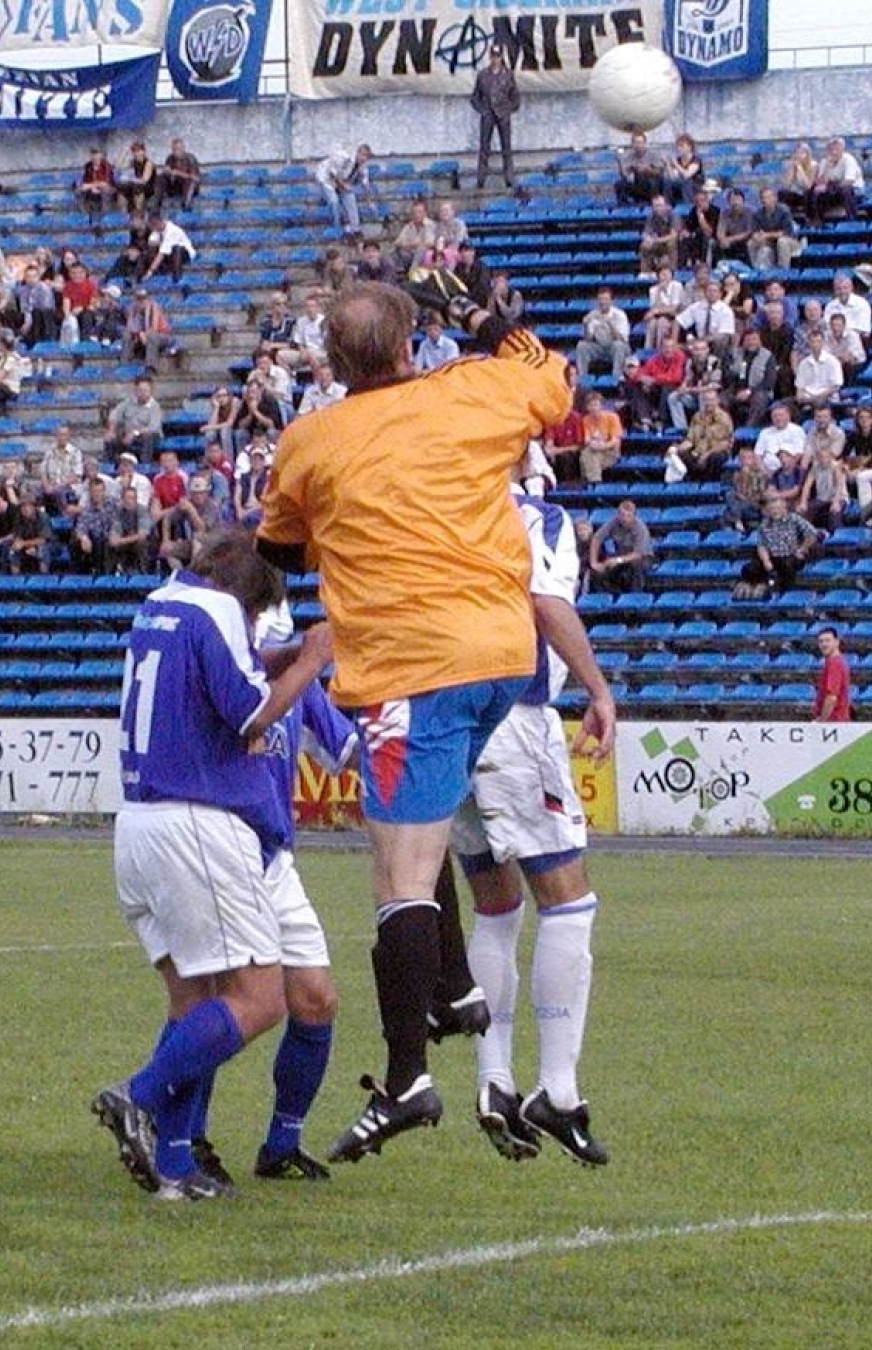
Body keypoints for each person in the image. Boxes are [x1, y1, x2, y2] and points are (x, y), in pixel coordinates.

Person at [256, 276, 572, 1164]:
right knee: (422, 829)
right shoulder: (473, 388)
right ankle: (455, 987)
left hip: (409, 667)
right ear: (410, 345)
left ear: (330, 362)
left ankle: (406, 1082)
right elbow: (551, 376)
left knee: (398, 873)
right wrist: (481, 315)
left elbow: (279, 550)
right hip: (501, 657)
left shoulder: (311, 438)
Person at [91, 533, 337, 1200]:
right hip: (198, 820)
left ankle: (174, 1166)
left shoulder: (160, 604)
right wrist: (313, 660)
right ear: (245, 596)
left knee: (194, 1000)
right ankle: (138, 1096)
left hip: (139, 821)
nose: (253, 627)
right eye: (256, 614)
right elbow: (252, 716)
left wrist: (285, 655)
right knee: (259, 999)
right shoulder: (219, 610)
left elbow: (225, 674)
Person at [454, 485, 617, 1167]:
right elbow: (546, 601)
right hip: (511, 714)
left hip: (442, 718)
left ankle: (494, 1078)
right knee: (569, 901)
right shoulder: (532, 515)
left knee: (495, 906)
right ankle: (557, 1089)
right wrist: (598, 689)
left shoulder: (435, 500)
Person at [742, 492, 824, 594]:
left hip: (791, 556)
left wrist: (802, 549)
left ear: (783, 507)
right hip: (773, 557)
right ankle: (757, 589)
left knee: (787, 566)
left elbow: (812, 534)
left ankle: (784, 592)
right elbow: (762, 545)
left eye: (776, 508)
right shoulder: (764, 524)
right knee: (749, 568)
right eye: (771, 509)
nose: (774, 511)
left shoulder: (794, 519)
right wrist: (767, 562)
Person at [470, 47, 519, 190]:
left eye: (497, 56)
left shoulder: (508, 75)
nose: (495, 59)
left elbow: (515, 97)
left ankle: (509, 179)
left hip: (503, 115)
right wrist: (483, 110)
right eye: (493, 56)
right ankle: (481, 179)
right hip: (488, 115)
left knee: (506, 149)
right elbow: (475, 97)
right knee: (484, 149)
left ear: (501, 57)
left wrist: (508, 110)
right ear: (489, 57)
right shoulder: (483, 75)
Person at [587, 499, 653, 593]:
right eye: (622, 515)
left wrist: (618, 560)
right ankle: (608, 595)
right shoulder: (613, 522)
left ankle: (634, 594)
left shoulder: (640, 528)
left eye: (628, 516)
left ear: (634, 516)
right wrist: (594, 562)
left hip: (642, 558)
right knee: (599, 571)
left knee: (635, 565)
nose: (624, 519)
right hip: (621, 555)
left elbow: (638, 554)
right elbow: (596, 539)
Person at [314, 144, 376, 240]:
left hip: (343, 182)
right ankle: (337, 228)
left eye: (366, 157)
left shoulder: (363, 169)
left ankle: (355, 229)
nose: (364, 158)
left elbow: (365, 185)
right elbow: (332, 172)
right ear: (358, 153)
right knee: (334, 201)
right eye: (363, 155)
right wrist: (343, 185)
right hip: (326, 178)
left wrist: (369, 202)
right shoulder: (344, 157)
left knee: (351, 198)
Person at [812, 627, 852, 721]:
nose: (824, 644)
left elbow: (831, 697)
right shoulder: (834, 662)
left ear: (836, 642)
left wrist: (822, 721)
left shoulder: (834, 664)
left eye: (827, 640)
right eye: (821, 641)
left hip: (834, 721)